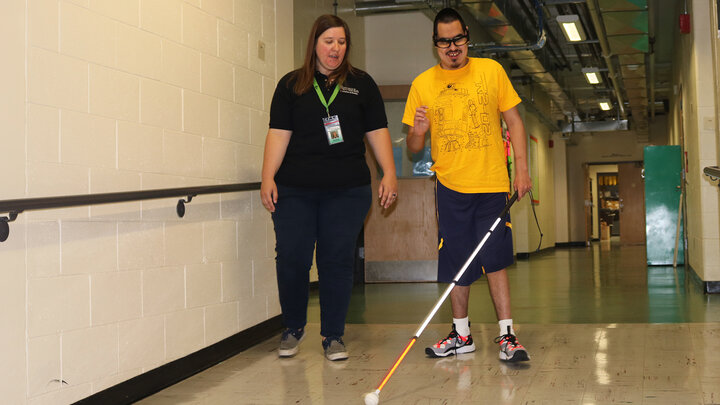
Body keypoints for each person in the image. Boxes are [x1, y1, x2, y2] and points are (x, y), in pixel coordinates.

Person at [261, 14, 398, 361]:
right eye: (328, 41)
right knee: (292, 257)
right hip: (295, 189)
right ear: (314, 44)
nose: (335, 49)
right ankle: (292, 327)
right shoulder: (291, 85)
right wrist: (268, 176)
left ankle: (333, 335)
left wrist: (390, 173)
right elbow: (279, 133)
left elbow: (378, 131)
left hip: (347, 190)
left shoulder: (361, 84)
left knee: (336, 261)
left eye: (341, 42)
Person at [402, 8, 532, 362]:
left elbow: (515, 123)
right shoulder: (422, 84)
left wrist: (521, 171)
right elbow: (414, 148)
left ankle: (507, 336)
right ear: (435, 45)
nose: (452, 47)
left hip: (491, 184)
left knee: (495, 260)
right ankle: (461, 335)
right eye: (444, 41)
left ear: (467, 38)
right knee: (457, 263)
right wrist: (417, 131)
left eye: (458, 39)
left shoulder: (491, 71)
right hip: (451, 187)